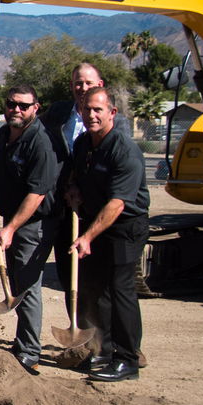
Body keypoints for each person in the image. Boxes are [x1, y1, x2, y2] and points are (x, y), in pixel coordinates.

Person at [68, 88, 150, 382]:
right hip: (96, 222)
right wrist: (74, 186)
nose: (91, 115)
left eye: (98, 110)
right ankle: (105, 350)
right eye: (87, 109)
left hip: (124, 226)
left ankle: (128, 359)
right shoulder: (82, 145)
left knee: (121, 290)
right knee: (95, 290)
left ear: (112, 113)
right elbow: (78, 173)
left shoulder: (124, 149)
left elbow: (117, 203)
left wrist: (87, 237)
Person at [0, 84, 59, 374]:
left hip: (33, 223)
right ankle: (21, 342)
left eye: (23, 105)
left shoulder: (40, 143)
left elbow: (36, 194)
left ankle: (29, 351)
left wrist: (11, 228)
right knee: (17, 281)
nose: (16, 109)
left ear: (35, 108)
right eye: (12, 103)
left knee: (27, 285)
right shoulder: (4, 134)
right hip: (11, 217)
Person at [43, 63, 105, 315]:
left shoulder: (110, 120)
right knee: (68, 275)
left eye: (89, 83)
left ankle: (105, 339)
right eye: (78, 83)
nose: (83, 88)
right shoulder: (58, 112)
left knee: (97, 278)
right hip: (62, 207)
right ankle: (77, 331)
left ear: (100, 85)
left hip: (93, 210)